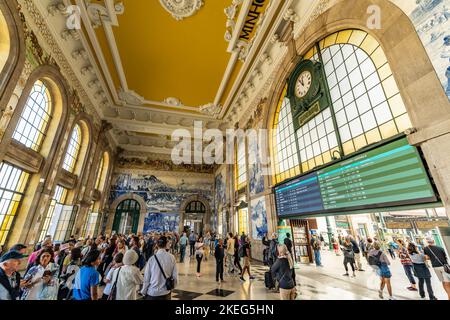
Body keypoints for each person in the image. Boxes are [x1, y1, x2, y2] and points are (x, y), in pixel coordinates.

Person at [141, 236, 178, 300]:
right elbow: (175, 276)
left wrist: (144, 291)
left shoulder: (152, 259)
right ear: (166, 244)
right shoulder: (172, 258)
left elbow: (146, 278)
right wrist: (172, 287)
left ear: (157, 245)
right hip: (166, 293)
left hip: (152, 293)